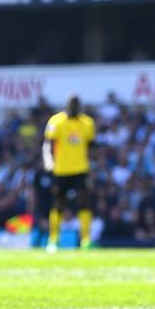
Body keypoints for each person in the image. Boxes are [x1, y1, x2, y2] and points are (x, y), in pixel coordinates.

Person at [42, 94, 95, 252]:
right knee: (58, 204)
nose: (74, 108)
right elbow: (47, 144)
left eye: (76, 105)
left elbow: (91, 146)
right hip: (61, 169)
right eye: (72, 105)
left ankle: (86, 240)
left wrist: (93, 167)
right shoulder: (56, 121)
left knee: (84, 203)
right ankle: (53, 240)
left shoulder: (87, 123)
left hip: (80, 169)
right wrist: (48, 160)